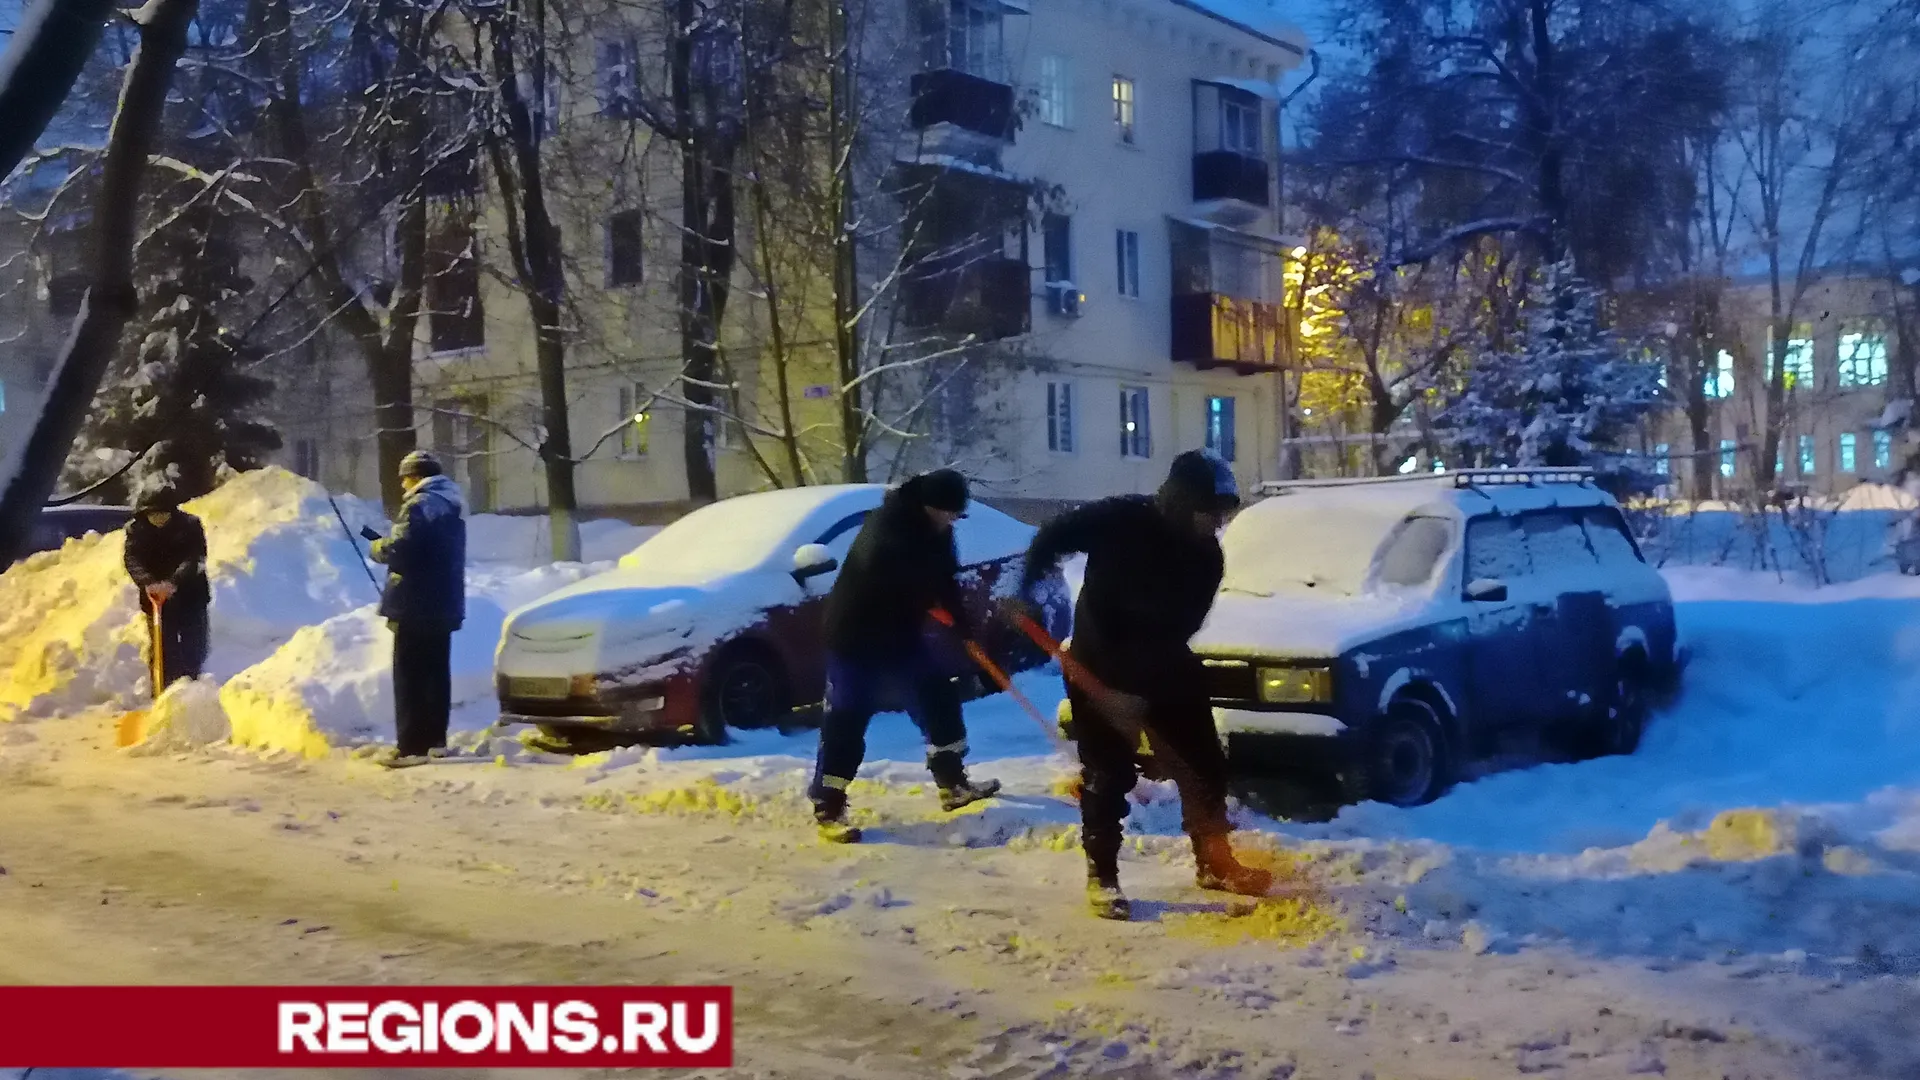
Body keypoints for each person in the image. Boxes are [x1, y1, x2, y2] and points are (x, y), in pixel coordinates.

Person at [1013, 450, 1272, 919]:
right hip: (1098, 667)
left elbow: (1179, 628)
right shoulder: (1120, 520)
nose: (1215, 523)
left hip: (1163, 664)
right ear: (1179, 501)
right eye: (1207, 511)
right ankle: (1103, 877)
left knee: (1205, 766)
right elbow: (1051, 537)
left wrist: (1143, 693)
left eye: (1222, 513)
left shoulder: (1207, 558)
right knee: (1108, 776)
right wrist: (1027, 591)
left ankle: (1215, 863)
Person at [809, 469, 1002, 842]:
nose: (951, 521)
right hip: (855, 636)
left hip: (901, 634)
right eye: (947, 512)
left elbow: (945, 580)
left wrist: (964, 630)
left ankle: (953, 783)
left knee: (937, 696)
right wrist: (926, 592)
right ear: (928, 505)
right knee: (847, 718)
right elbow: (897, 572)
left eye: (957, 515)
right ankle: (828, 804)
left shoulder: (938, 530)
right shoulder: (887, 526)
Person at [368, 450, 467, 768]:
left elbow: (402, 552)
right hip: (443, 604)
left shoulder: (418, 505)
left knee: (409, 677)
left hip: (414, 605)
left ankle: (410, 746)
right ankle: (435, 741)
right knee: (435, 675)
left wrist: (378, 546)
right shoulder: (452, 506)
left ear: (416, 477)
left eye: (404, 478)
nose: (402, 485)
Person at [123, 490, 211, 691]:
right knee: (163, 647)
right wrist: (149, 582)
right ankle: (163, 693)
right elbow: (132, 559)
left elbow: (194, 558)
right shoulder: (137, 531)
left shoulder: (190, 526)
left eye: (163, 513)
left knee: (194, 646)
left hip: (191, 594)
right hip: (156, 598)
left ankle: (192, 690)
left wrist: (173, 582)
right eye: (153, 514)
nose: (158, 518)